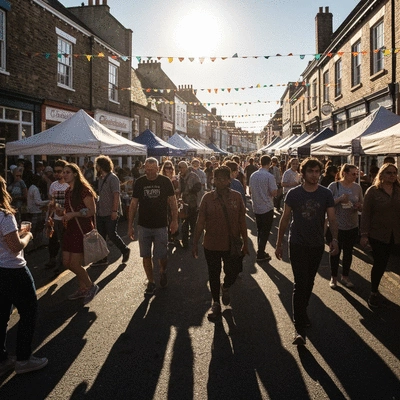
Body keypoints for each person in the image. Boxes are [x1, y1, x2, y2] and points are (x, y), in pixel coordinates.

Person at [275, 157, 339, 346]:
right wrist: (279, 243)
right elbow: (285, 219)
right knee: (300, 282)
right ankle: (299, 327)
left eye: (317, 171)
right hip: (297, 243)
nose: (314, 175)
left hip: (317, 244)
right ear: (302, 174)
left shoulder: (326, 194)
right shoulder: (294, 194)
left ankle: (302, 313)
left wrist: (334, 239)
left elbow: (332, 219)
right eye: (310, 171)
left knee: (309, 282)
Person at [0, 176, 48, 375]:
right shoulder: (4, 215)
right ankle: (23, 359)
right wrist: (26, 235)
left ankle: (2, 359)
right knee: (29, 312)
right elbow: (15, 247)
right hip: (13, 270)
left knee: (1, 315)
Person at [192, 166, 249, 319]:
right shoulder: (207, 198)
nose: (220, 182)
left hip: (231, 244)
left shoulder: (236, 197)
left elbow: (242, 221)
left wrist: (246, 242)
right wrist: (195, 242)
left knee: (234, 270)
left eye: (223, 179)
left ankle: (226, 286)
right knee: (213, 273)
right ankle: (216, 303)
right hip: (211, 244)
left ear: (229, 180)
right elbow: (200, 222)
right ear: (213, 180)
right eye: (217, 179)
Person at [128, 157, 178, 295]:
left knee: (162, 255)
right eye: (147, 169)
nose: (149, 172)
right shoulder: (140, 182)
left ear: (157, 168)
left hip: (161, 225)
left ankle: (162, 270)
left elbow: (173, 202)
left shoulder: (165, 181)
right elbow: (133, 204)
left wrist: (174, 221)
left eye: (152, 169)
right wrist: (130, 225)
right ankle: (151, 282)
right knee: (146, 255)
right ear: (144, 168)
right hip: (143, 225)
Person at [360, 163, 400, 308]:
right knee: (380, 264)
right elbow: (366, 215)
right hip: (378, 235)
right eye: (389, 172)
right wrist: (364, 235)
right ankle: (374, 292)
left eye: (394, 172)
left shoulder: (398, 190)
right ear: (381, 175)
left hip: (397, 234)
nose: (392, 175)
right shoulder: (373, 191)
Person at [61, 163, 99, 305]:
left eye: (67, 172)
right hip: (70, 229)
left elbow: (91, 211)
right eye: (63, 172)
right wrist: (61, 212)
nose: (64, 174)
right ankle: (83, 288)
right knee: (66, 262)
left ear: (75, 174)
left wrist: (74, 214)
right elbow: (67, 211)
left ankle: (90, 286)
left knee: (75, 264)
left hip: (81, 230)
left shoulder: (84, 190)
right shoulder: (67, 191)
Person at [328, 164, 363, 288]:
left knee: (348, 253)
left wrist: (359, 206)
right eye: (353, 174)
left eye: (356, 173)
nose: (355, 176)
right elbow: (327, 203)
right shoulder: (334, 186)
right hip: (336, 225)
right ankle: (333, 277)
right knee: (335, 252)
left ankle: (345, 276)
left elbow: (362, 205)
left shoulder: (357, 188)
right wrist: (339, 199)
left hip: (352, 225)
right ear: (344, 173)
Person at [93, 155, 130, 266]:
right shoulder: (100, 178)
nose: (96, 167)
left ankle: (124, 249)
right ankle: (103, 258)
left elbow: (116, 195)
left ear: (101, 166)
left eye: (97, 165)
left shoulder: (113, 178)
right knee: (101, 235)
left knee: (111, 234)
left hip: (110, 211)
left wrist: (114, 211)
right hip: (101, 211)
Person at [249, 155, 278, 262]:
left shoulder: (253, 175)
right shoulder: (269, 176)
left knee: (260, 229)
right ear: (269, 163)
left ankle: (260, 250)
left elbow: (250, 190)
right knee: (265, 231)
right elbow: (274, 192)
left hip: (256, 206)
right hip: (267, 207)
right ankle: (261, 252)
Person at [46, 159, 69, 272]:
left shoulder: (69, 185)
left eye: (59, 171)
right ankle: (56, 261)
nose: (57, 174)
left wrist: (64, 210)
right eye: (55, 171)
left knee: (64, 241)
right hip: (56, 218)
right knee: (55, 241)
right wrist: (50, 214)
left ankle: (61, 264)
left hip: (67, 218)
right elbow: (52, 201)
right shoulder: (53, 185)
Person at [178, 161, 201, 248]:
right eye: (180, 167)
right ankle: (185, 242)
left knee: (193, 223)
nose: (181, 169)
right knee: (184, 223)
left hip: (192, 204)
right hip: (183, 203)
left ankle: (194, 240)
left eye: (183, 167)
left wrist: (190, 191)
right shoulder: (179, 176)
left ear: (186, 167)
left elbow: (199, 187)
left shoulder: (193, 175)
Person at [27, 174, 50, 249]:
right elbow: (38, 202)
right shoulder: (35, 189)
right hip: (36, 212)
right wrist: (48, 201)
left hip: (32, 211)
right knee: (37, 229)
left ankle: (34, 245)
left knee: (34, 229)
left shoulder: (31, 188)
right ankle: (36, 245)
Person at [160, 160, 180, 243]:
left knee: (173, 218)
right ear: (163, 169)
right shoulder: (160, 178)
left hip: (173, 201)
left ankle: (174, 235)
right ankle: (167, 236)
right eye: (166, 167)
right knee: (165, 219)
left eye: (170, 167)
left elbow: (178, 190)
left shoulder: (175, 178)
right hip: (163, 202)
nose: (169, 169)